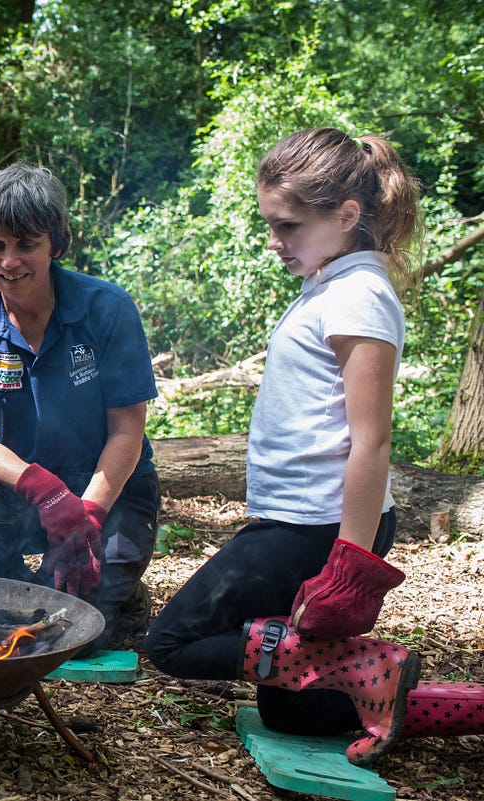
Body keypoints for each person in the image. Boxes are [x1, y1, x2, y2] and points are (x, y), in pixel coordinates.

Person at [144, 127, 424, 766]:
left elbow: (372, 440)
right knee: (291, 704)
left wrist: (349, 565)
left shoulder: (359, 296)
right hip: (302, 520)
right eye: (271, 224)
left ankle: (373, 665)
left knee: (171, 643)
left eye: (289, 226)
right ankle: (403, 694)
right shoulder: (332, 286)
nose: (275, 242)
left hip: (316, 527)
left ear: (347, 215)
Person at [0, 162, 161, 654]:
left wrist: (89, 514)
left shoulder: (107, 309)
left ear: (56, 244)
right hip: (19, 490)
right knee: (4, 621)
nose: (9, 262)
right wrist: (48, 494)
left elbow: (127, 431)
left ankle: (125, 593)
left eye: (25, 244)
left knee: (81, 628)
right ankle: (7, 579)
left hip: (108, 488)